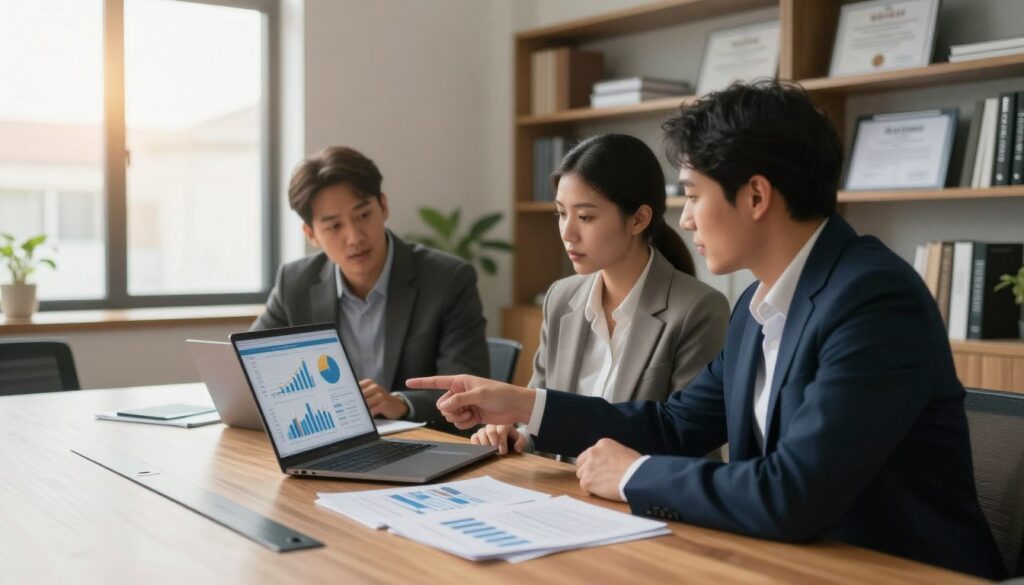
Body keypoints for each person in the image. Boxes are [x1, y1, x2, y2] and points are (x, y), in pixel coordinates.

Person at [408, 82, 1005, 579]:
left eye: (693, 195)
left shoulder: (873, 299)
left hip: (893, 570)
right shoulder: (756, 306)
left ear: (756, 196)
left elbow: (794, 492)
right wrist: (524, 404)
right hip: (786, 561)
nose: (686, 218)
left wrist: (633, 473)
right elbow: (674, 424)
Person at [471, 134, 729, 455]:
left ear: (638, 219)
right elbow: (540, 407)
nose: (567, 232)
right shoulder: (561, 298)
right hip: (560, 491)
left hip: (639, 496)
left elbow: (686, 439)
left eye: (586, 217)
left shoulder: (698, 309)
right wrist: (518, 434)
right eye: (561, 213)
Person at [252, 146, 489, 427]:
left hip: (418, 444)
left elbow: (467, 392)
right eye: (334, 226)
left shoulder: (448, 280)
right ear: (311, 234)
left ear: (384, 206)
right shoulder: (295, 282)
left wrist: (401, 403)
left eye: (363, 215)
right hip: (331, 438)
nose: (354, 237)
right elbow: (250, 369)